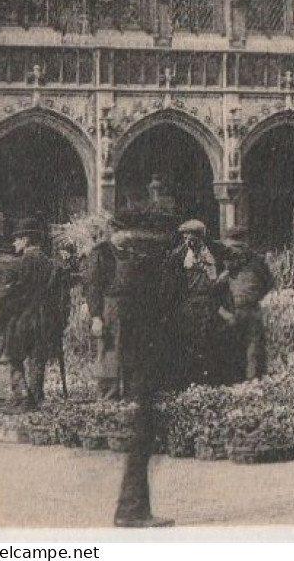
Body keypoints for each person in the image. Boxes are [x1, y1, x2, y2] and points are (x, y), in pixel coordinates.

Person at [109, 182, 184, 528]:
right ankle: (132, 509)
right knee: (142, 435)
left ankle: (134, 507)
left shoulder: (131, 270)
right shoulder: (143, 273)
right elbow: (155, 318)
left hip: (140, 362)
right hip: (144, 363)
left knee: (144, 434)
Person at [0, 222, 61, 411]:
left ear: (26, 239)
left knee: (13, 354)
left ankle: (22, 396)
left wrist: (5, 311)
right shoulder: (50, 263)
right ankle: (36, 396)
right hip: (45, 319)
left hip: (24, 319)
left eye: (17, 239)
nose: (15, 243)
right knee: (37, 357)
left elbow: (15, 295)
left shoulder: (21, 263)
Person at [165, 219, 228, 388]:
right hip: (189, 305)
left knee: (210, 340)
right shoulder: (178, 256)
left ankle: (211, 381)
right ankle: (189, 381)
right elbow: (171, 282)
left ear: (201, 237)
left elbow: (231, 268)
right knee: (188, 342)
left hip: (211, 303)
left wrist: (222, 279)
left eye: (191, 238)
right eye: (185, 238)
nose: (188, 242)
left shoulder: (215, 252)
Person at [216, 229, 275, 383]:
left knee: (242, 347)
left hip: (238, 310)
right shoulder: (255, 260)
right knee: (249, 346)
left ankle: (240, 382)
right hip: (244, 309)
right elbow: (269, 283)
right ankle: (250, 380)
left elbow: (213, 287)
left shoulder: (225, 260)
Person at [84, 230, 122, 399]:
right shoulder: (100, 253)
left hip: (125, 306)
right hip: (108, 305)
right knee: (108, 347)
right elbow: (92, 285)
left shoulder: (127, 251)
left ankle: (125, 390)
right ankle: (107, 392)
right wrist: (96, 316)